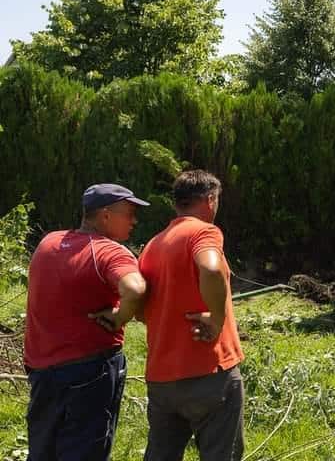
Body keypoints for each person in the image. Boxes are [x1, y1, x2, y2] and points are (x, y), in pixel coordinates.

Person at [24, 183, 149, 461]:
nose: (134, 221)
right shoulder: (108, 251)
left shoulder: (48, 243)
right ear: (105, 215)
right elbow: (135, 288)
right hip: (90, 372)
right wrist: (120, 316)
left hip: (43, 372)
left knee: (43, 451)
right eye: (128, 213)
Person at [138, 170, 244, 461]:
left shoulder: (152, 245)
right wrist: (218, 318)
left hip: (161, 378)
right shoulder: (204, 232)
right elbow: (210, 268)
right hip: (207, 372)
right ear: (210, 200)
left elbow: (138, 302)